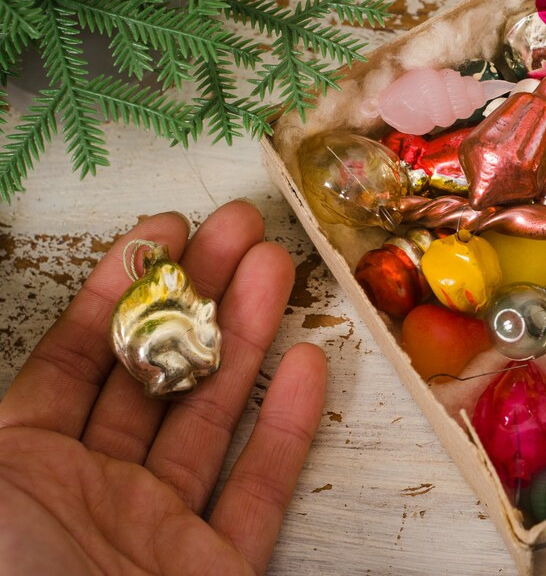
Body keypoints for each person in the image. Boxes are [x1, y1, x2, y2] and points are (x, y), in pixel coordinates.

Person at [0, 201, 326, 574]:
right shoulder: (186, 327)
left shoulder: (189, 320)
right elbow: (207, 357)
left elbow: (208, 357)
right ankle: (162, 378)